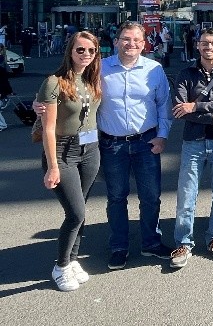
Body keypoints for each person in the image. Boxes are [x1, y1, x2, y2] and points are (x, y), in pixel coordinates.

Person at [34, 21, 174, 270]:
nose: (131, 44)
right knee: (116, 197)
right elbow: (69, 88)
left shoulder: (154, 70)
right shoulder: (99, 68)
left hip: (146, 142)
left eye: (137, 40)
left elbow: (163, 104)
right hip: (112, 144)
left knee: (151, 197)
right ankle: (119, 246)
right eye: (126, 39)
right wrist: (39, 104)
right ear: (117, 41)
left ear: (144, 44)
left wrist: (162, 136)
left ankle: (151, 242)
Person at [169, 28, 213, 268]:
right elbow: (180, 110)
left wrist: (196, 106)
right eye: (204, 44)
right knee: (186, 195)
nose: (208, 48)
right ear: (197, 46)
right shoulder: (186, 73)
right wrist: (212, 115)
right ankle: (183, 241)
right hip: (194, 141)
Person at [38, 31, 102, 291]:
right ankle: (61, 266)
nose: (85, 55)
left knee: (82, 211)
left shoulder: (92, 79)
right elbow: (48, 128)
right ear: (70, 51)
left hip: (90, 150)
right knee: (75, 213)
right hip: (63, 151)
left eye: (91, 51)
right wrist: (52, 166)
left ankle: (73, 260)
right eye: (80, 50)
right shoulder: (54, 82)